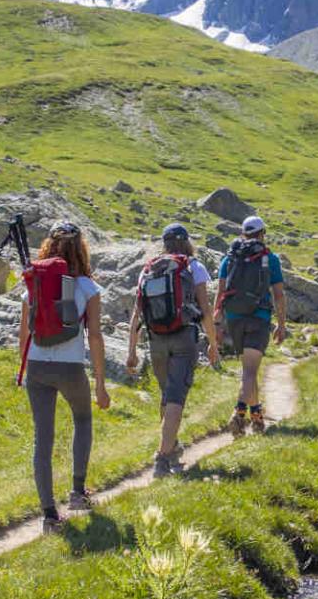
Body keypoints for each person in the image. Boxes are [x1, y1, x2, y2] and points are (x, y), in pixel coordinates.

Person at [15, 222, 110, 531]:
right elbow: (94, 336)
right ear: (81, 249)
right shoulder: (87, 288)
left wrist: (29, 368)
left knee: (43, 438)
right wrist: (100, 384)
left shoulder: (34, 284)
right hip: (71, 367)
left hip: (37, 366)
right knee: (82, 419)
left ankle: (49, 515)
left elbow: (23, 335)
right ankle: (78, 493)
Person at [126, 224, 220, 476]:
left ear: (164, 243)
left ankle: (172, 445)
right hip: (184, 338)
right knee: (176, 396)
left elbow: (137, 313)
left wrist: (131, 350)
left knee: (167, 395)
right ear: (187, 242)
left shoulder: (149, 269)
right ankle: (162, 457)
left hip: (155, 338)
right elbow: (205, 309)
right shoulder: (192, 266)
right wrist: (213, 342)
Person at [215, 215, 287, 435]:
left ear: (243, 234)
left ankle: (256, 416)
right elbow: (279, 295)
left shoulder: (230, 259)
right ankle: (238, 415)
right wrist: (281, 324)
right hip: (259, 318)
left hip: (234, 318)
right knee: (249, 371)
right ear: (262, 234)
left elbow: (220, 293)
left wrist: (217, 323)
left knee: (249, 371)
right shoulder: (270, 259)